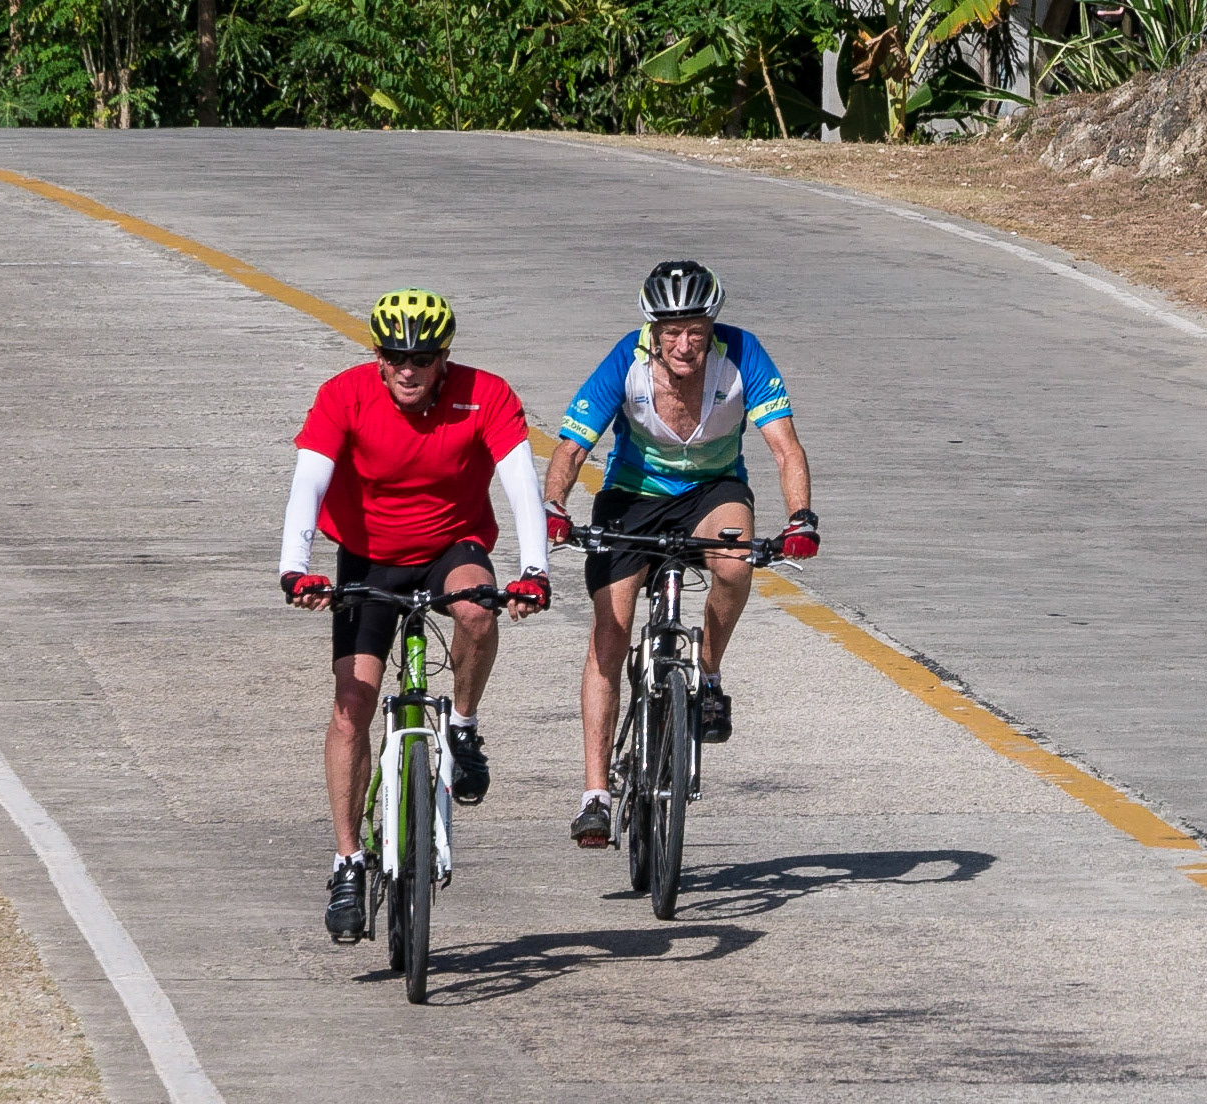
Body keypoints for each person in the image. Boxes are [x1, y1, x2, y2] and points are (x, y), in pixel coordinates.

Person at [280, 289, 551, 941]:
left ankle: (462, 724)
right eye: (396, 356)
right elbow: (307, 483)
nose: (408, 368)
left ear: (444, 358)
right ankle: (348, 859)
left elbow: (521, 485)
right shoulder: (344, 395)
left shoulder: (484, 394)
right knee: (352, 703)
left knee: (478, 612)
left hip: (450, 547)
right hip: (367, 558)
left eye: (423, 357)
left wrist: (535, 571)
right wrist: (296, 568)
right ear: (377, 356)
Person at [542, 261, 820, 848]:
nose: (685, 344)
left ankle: (710, 675)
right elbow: (571, 448)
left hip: (712, 491)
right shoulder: (626, 361)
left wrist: (799, 519)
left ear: (712, 325)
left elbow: (785, 447)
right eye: (672, 332)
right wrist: (555, 506)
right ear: (653, 330)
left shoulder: (743, 355)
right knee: (610, 631)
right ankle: (595, 793)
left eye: (696, 329)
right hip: (631, 496)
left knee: (735, 562)